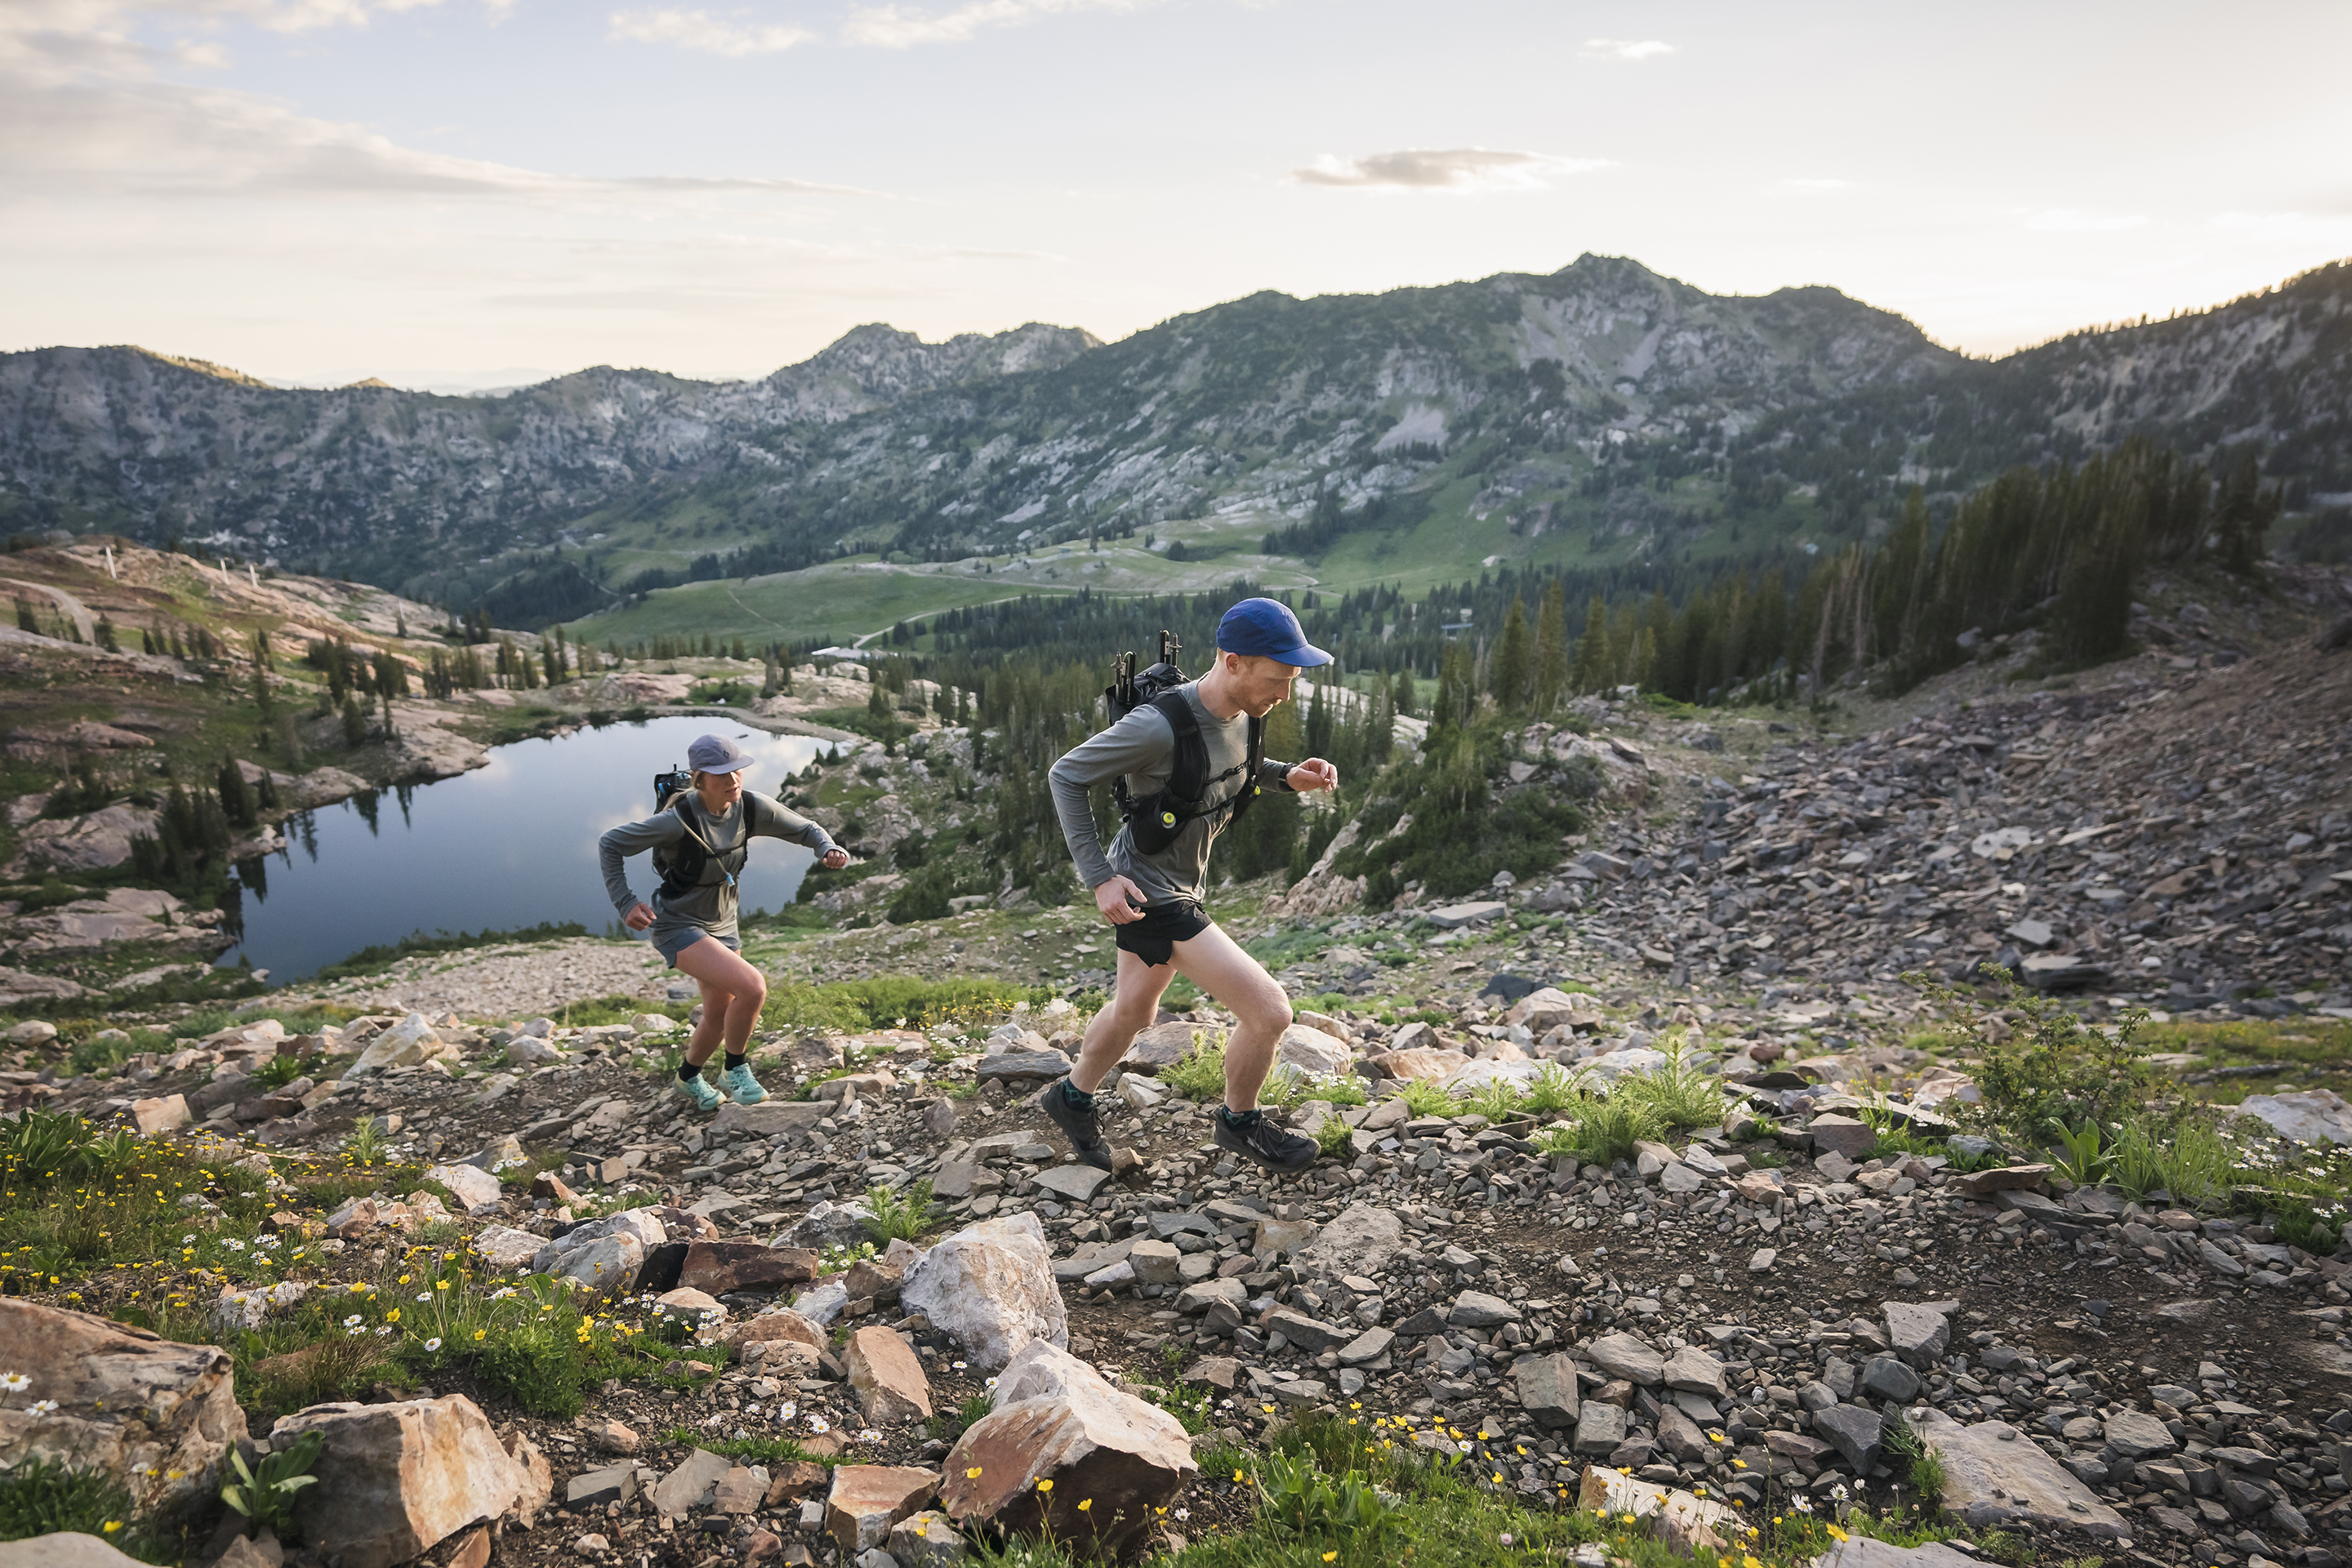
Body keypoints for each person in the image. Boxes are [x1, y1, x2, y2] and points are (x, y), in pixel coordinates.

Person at [1043, 597, 1341, 1174]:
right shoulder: (1157, 726)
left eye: (1292, 681)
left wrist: (1288, 777)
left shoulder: (1247, 712)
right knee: (1270, 1012)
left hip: (1176, 883)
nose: (1284, 695)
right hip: (1150, 893)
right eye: (1277, 680)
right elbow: (1066, 774)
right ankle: (1240, 1124)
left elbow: (1232, 768)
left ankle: (1070, 1097)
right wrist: (1100, 879)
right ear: (1233, 662)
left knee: (1134, 1010)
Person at [600, 732, 849, 1111]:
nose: (733, 780)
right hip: (677, 923)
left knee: (717, 1014)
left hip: (723, 921)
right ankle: (735, 1068)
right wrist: (625, 902)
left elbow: (806, 828)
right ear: (699, 778)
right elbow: (610, 843)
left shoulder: (749, 807)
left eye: (737, 771)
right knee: (753, 987)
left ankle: (687, 1078)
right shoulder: (676, 822)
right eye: (721, 774)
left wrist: (827, 847)